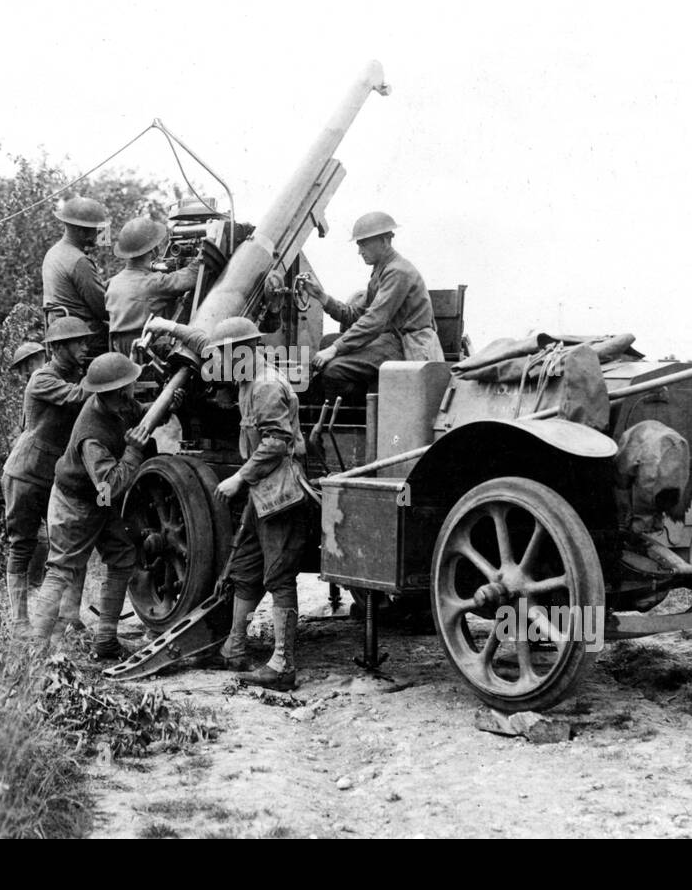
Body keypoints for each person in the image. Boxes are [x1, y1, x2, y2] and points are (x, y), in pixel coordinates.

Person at [205, 317, 311, 692]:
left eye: (224, 354)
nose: (220, 362)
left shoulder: (265, 385)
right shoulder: (247, 383)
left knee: (279, 575)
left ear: (244, 351)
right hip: (261, 491)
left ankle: (283, 665)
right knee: (247, 566)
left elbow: (277, 443)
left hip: (280, 492)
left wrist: (238, 478)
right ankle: (234, 647)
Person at [28, 352, 151, 660]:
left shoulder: (118, 405)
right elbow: (110, 484)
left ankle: (106, 640)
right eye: (128, 388)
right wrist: (134, 452)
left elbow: (139, 413)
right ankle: (34, 651)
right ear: (116, 392)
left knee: (122, 556)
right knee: (62, 569)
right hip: (76, 502)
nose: (132, 392)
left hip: (99, 499)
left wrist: (165, 405)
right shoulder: (92, 435)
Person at [1, 319, 95, 631]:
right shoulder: (43, 378)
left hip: (56, 477)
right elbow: (80, 397)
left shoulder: (76, 375)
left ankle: (69, 617)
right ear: (57, 348)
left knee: (70, 544)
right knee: (22, 545)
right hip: (26, 475)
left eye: (85, 341)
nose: (85, 347)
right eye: (77, 343)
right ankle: (18, 620)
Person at [300, 211, 441, 406]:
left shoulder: (397, 272)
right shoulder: (381, 271)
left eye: (364, 244)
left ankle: (366, 415)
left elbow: (374, 321)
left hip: (407, 343)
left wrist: (336, 349)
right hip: (389, 338)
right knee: (326, 343)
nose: (360, 251)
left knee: (334, 370)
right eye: (359, 244)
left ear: (385, 241)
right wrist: (321, 296)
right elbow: (357, 315)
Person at [105, 216, 200, 355]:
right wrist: (204, 253)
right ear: (153, 251)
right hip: (145, 348)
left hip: (118, 350)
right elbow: (190, 277)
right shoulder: (154, 283)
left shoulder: (113, 282)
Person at [40, 197, 112, 356]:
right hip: (86, 337)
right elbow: (103, 309)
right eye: (95, 230)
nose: (98, 234)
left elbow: (75, 292)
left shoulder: (53, 253)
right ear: (81, 231)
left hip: (60, 334)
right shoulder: (79, 261)